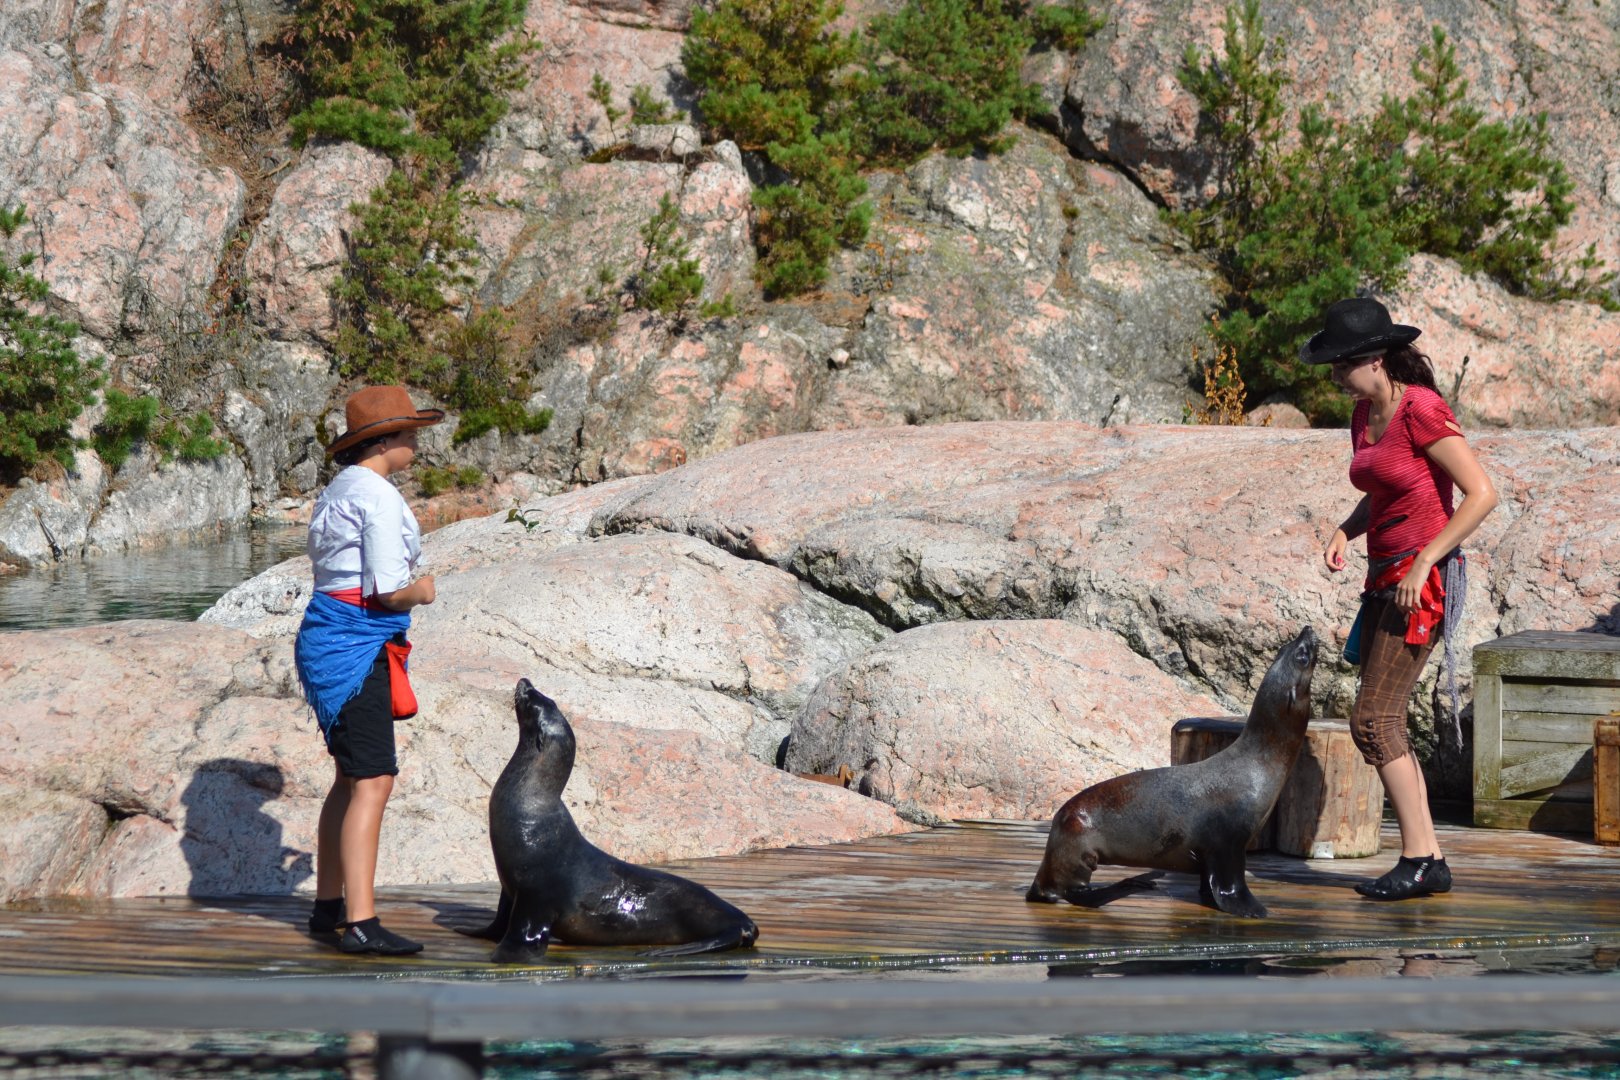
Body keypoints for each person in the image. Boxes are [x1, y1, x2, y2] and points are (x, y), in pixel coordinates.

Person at [1309, 297, 1498, 901]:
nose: (1336, 377)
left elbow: (1481, 494)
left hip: (1422, 584)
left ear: (1376, 358)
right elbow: (1386, 488)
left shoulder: (1422, 408)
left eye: (1343, 365)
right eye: (1333, 367)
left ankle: (1419, 858)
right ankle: (1429, 859)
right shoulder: (1364, 413)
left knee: (1374, 720)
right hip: (1383, 580)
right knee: (1381, 718)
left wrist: (1424, 559)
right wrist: (1346, 529)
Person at [293, 385, 443, 954]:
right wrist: (423, 590)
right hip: (357, 648)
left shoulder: (339, 489)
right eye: (409, 435)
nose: (416, 445)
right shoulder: (377, 497)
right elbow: (388, 591)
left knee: (350, 777)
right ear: (382, 442)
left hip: (327, 638)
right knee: (374, 779)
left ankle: (328, 907)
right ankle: (361, 922)